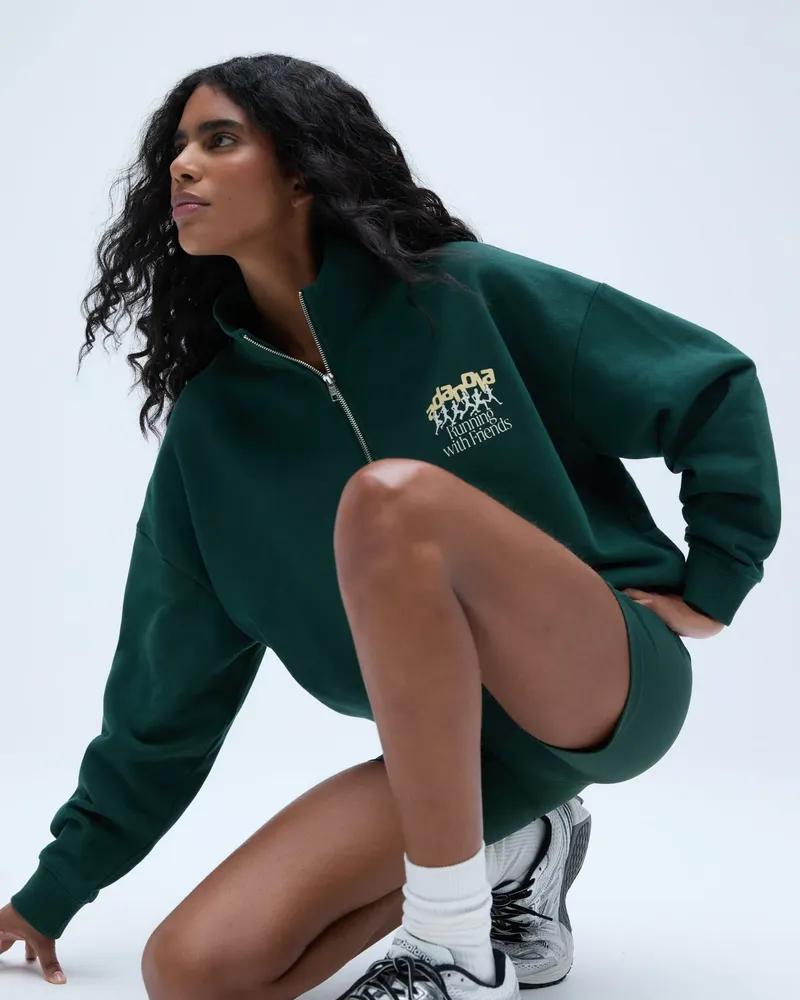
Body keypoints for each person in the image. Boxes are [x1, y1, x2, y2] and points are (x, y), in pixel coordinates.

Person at [0, 53, 781, 999]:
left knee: (392, 500)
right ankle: (515, 848)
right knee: (192, 972)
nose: (181, 166)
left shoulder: (461, 294)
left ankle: (452, 946)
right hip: (454, 764)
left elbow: (706, 385)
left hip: (599, 681)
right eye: (176, 148)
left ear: (300, 172)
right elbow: (164, 695)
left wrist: (716, 581)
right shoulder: (212, 432)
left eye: (219, 140)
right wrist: (52, 890)